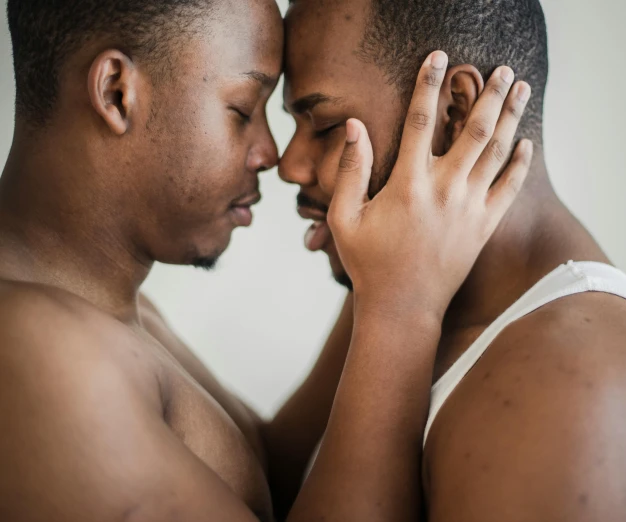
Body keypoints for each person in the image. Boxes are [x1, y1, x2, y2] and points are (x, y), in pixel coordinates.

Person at [0, 0, 534, 520]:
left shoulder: (105, 311)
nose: (273, 156)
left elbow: (270, 480)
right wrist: (401, 309)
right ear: (118, 92)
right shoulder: (33, 352)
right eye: (241, 110)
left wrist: (401, 249)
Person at [279, 0, 626, 521]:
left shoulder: (571, 390)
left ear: (454, 112)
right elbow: (272, 475)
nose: (288, 165)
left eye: (323, 124)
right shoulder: (400, 282)